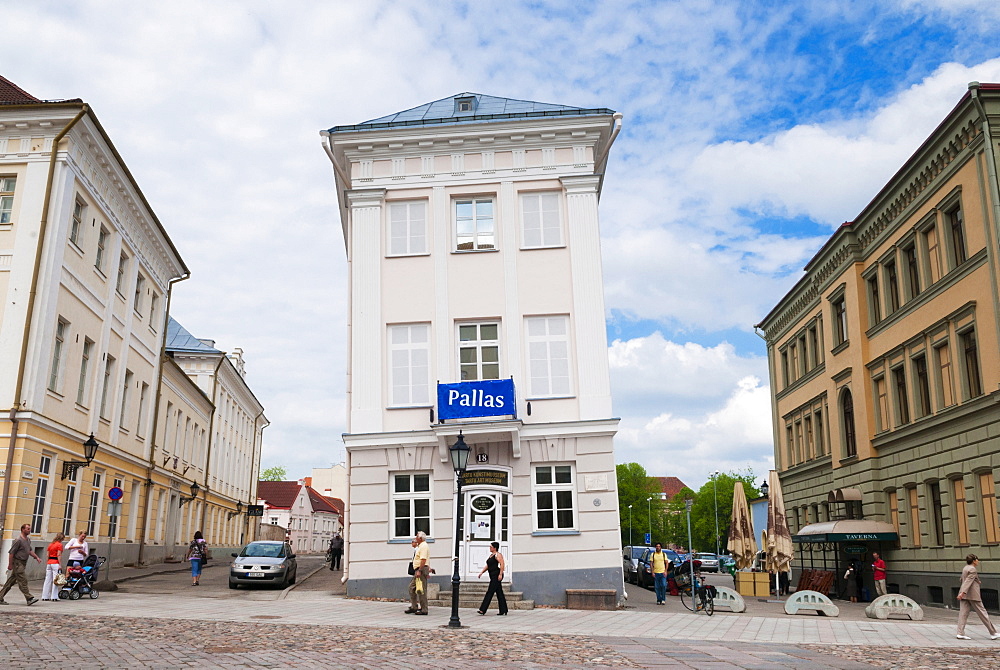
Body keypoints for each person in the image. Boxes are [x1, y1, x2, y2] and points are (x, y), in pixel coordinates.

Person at [956, 554, 1000, 640]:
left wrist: (976, 581)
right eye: (977, 559)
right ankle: (993, 632)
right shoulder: (972, 569)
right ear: (974, 561)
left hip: (965, 595)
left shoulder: (965, 568)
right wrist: (962, 592)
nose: (978, 561)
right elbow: (968, 581)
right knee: (983, 613)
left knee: (963, 614)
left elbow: (962, 579)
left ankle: (960, 633)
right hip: (972, 594)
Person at [0, 523, 41, 606]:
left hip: (23, 562)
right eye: (28, 529)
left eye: (30, 528)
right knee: (23, 580)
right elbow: (11, 553)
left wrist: (36, 557)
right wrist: (10, 564)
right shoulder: (18, 540)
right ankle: (29, 598)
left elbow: (29, 550)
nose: (29, 530)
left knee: (10, 581)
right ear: (23, 529)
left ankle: (0, 597)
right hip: (17, 562)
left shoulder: (28, 540)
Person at [476, 541, 508, 615]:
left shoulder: (498, 555)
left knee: (490, 592)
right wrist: (481, 572)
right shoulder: (491, 556)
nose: (489, 548)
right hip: (492, 575)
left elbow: (502, 564)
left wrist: (500, 574)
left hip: (496, 575)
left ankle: (482, 609)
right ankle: (503, 610)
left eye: (491, 547)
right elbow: (488, 565)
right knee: (499, 593)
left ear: (495, 548)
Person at [405, 531, 430, 615]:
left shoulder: (423, 546)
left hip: (421, 570)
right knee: (412, 588)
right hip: (418, 569)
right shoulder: (420, 546)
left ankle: (424, 609)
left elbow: (423, 559)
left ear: (420, 538)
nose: (415, 539)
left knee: (421, 590)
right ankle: (414, 606)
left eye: (416, 537)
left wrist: (420, 570)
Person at [41, 532, 66, 601]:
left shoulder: (50, 544)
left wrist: (48, 562)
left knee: (47, 580)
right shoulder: (59, 545)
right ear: (62, 538)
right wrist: (60, 564)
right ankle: (54, 596)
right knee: (56, 580)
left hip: (49, 562)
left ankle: (45, 596)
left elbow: (47, 555)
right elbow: (59, 555)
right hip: (55, 563)